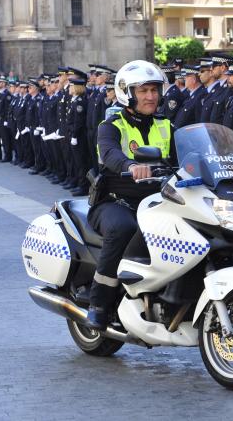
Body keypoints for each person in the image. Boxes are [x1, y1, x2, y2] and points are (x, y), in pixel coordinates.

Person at [86, 60, 175, 330]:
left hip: (156, 202)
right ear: (128, 93)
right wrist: (131, 166)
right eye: (143, 90)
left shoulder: (166, 125)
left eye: (154, 90)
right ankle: (99, 303)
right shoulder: (111, 124)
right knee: (124, 228)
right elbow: (110, 153)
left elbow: (189, 154)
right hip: (115, 201)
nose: (151, 96)